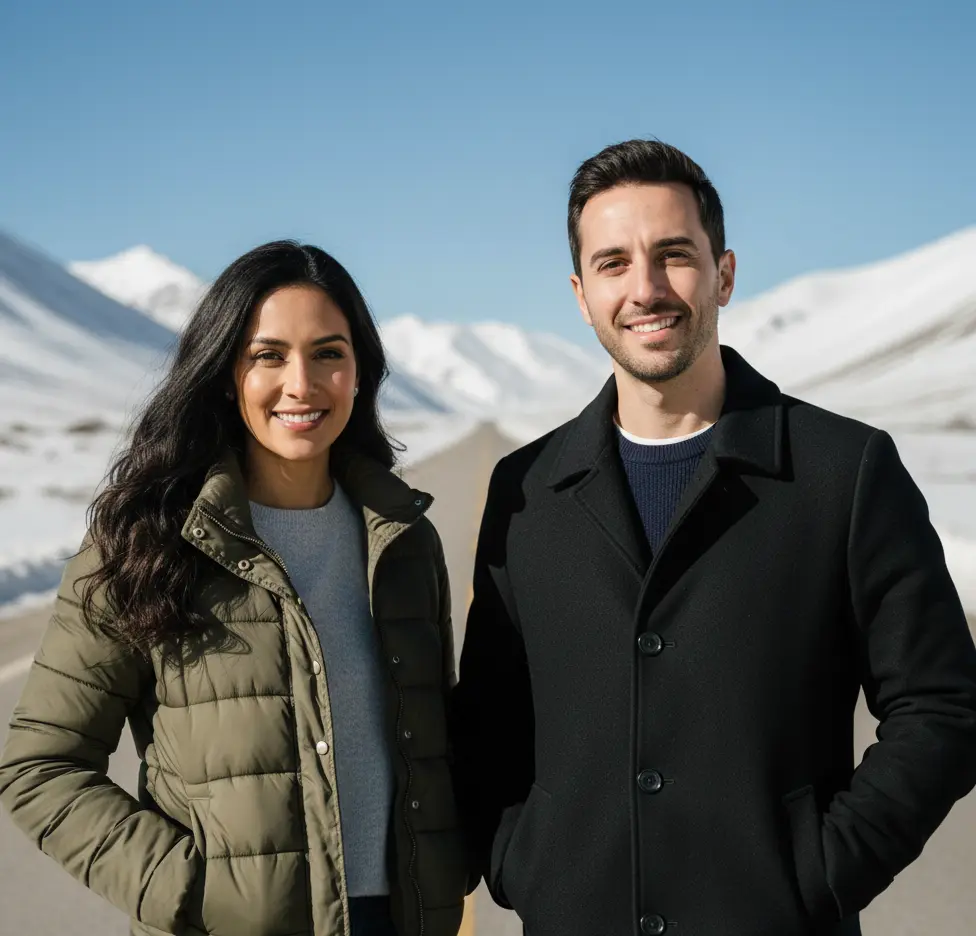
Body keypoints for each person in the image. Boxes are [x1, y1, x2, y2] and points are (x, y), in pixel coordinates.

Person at [451, 140, 976, 936]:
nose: (646, 288)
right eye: (614, 263)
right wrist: (523, 861)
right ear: (581, 294)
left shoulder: (843, 471)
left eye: (674, 255)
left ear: (724, 273)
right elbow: (491, 715)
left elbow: (942, 707)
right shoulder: (526, 490)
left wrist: (820, 872)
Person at [0, 241, 468, 936]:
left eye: (329, 353)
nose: (301, 384)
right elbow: (41, 766)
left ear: (362, 371)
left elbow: (433, 745)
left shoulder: (400, 540)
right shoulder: (149, 542)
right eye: (268, 356)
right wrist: (194, 893)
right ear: (226, 375)